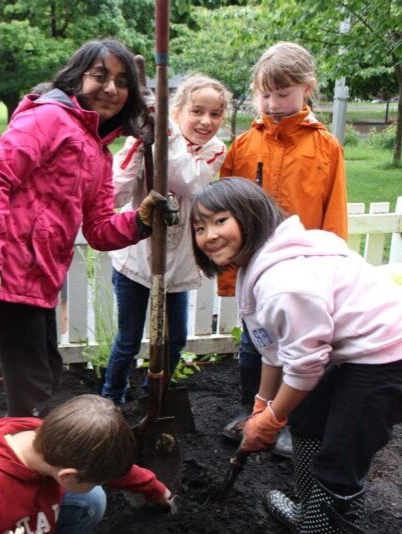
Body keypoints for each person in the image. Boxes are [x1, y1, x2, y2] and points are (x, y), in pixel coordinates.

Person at [0, 39, 173, 417]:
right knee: (34, 390)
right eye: (99, 76)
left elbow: (99, 230)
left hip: (38, 282)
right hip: (3, 276)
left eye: (121, 82)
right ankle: (25, 467)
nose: (110, 89)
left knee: (45, 377)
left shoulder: (99, 153)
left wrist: (140, 221)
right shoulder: (49, 117)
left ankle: (28, 462)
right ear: (76, 79)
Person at [191, 178, 402, 533]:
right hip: (350, 351)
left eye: (220, 220)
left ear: (251, 215)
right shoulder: (260, 262)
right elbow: (275, 348)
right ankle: (308, 511)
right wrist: (262, 404)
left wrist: (271, 420)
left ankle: (324, 527)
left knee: (342, 456)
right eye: (199, 227)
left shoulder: (283, 282)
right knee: (306, 419)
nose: (209, 235)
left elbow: (304, 368)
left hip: (386, 357)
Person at [217, 42, 348, 458]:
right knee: (254, 343)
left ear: (306, 88)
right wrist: (228, 269)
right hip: (256, 269)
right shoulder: (244, 145)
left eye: (283, 94)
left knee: (300, 349)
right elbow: (223, 210)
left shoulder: (326, 148)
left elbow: (334, 214)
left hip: (304, 271)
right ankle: (249, 412)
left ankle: (290, 421)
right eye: (265, 94)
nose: (273, 103)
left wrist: (330, 270)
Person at [102, 74, 229, 405]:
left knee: (175, 340)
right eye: (197, 111)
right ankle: (111, 398)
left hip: (178, 267)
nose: (206, 121)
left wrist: (165, 135)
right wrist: (136, 147)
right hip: (136, 262)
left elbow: (190, 181)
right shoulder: (147, 139)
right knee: (128, 339)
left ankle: (153, 395)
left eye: (215, 114)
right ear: (178, 110)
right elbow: (115, 194)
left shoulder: (214, 150)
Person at [0, 394, 172, 533]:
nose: (103, 482)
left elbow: (112, 466)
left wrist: (154, 489)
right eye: (97, 477)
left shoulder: (51, 439)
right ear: (68, 475)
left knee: (91, 499)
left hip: (26, 515)